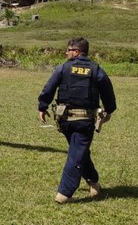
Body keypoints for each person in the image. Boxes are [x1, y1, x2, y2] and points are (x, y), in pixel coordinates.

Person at [38, 37, 117, 204]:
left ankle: (92, 181)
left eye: (68, 50)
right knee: (77, 153)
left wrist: (42, 106)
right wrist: (109, 110)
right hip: (84, 122)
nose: (66, 53)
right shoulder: (96, 70)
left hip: (65, 121)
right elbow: (108, 92)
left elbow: (49, 87)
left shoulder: (63, 68)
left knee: (78, 152)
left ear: (77, 52)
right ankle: (64, 193)